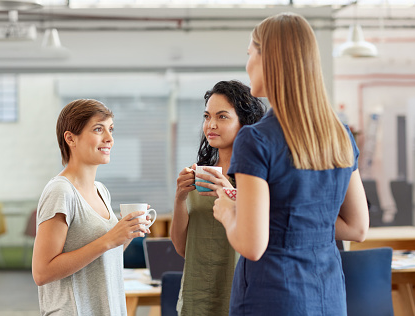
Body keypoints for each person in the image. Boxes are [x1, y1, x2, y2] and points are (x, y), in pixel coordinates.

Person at [212, 13, 369, 315]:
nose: (247, 65)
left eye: (250, 54)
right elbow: (357, 227)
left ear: (266, 58)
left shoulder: (255, 139)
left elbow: (252, 244)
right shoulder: (340, 135)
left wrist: (229, 213)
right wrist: (286, 216)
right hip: (328, 296)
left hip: (273, 297)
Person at [32, 99, 151, 316]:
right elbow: (42, 272)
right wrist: (109, 239)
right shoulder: (61, 191)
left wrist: (126, 234)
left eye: (111, 129)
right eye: (98, 129)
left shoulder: (101, 191)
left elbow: (104, 254)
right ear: (70, 138)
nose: (109, 139)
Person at [170, 80, 266, 315]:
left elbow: (262, 240)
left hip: (244, 293)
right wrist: (180, 198)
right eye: (207, 116)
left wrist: (231, 194)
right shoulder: (200, 175)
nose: (211, 125)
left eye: (222, 117)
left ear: (244, 123)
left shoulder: (259, 178)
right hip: (198, 296)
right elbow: (182, 247)